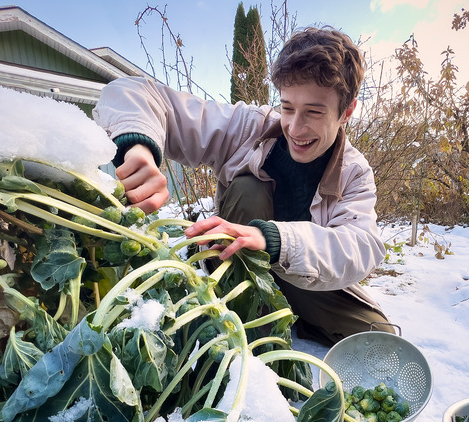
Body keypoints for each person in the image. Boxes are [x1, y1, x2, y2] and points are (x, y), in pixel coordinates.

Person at [93, 26, 393, 346]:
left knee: (380, 339)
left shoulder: (355, 172)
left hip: (300, 274)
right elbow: (129, 92)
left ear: (346, 112)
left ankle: (291, 313)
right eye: (288, 107)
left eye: (314, 112)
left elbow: (361, 246)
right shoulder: (249, 127)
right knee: (249, 189)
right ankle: (242, 325)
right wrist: (139, 149)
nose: (294, 127)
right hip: (234, 261)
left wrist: (274, 240)